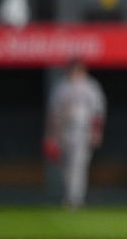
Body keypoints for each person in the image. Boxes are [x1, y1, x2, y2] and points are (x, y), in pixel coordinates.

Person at [43, 58, 107, 208]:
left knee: (78, 165)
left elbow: (98, 112)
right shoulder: (62, 87)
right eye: (72, 68)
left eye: (78, 68)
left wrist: (96, 132)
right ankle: (69, 196)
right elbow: (53, 113)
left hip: (83, 131)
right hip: (64, 131)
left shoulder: (91, 87)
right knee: (65, 166)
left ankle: (76, 198)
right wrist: (51, 135)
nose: (74, 71)